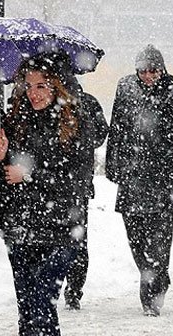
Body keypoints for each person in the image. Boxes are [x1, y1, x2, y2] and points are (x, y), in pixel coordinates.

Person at [0, 52, 95, 336]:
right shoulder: (17, 123)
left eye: (41, 85)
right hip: (22, 228)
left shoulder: (76, 124)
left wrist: (29, 175)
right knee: (27, 309)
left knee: (41, 304)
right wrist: (1, 156)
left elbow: (77, 183)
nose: (33, 93)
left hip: (60, 230)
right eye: (28, 85)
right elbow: (4, 178)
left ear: (57, 86)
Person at [105, 44, 173, 317]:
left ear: (162, 69)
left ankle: (152, 293)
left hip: (164, 177)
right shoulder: (126, 88)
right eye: (143, 71)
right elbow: (118, 127)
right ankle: (157, 276)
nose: (147, 76)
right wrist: (113, 163)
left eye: (153, 71)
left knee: (159, 240)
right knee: (135, 237)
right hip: (132, 175)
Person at [62, 83, 109, 310]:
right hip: (72, 185)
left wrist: (79, 136)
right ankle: (69, 287)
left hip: (76, 186)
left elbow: (101, 133)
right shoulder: (42, 101)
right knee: (74, 239)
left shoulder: (87, 102)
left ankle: (73, 288)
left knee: (76, 239)